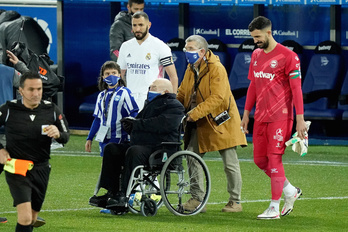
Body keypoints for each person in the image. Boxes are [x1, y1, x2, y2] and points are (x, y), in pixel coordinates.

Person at [240, 16, 307, 220]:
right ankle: (289, 191)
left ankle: (274, 207)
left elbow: (296, 89)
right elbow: (253, 85)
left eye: (258, 37)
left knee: (274, 159)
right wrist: (246, 114)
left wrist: (300, 119)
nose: (255, 41)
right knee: (260, 160)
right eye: (253, 37)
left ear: (268, 32)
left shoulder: (289, 57)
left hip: (281, 117)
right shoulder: (256, 55)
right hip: (260, 116)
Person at [89, 78, 184, 212]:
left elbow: (161, 124)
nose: (150, 90)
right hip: (142, 144)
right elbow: (143, 124)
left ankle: (124, 195)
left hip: (161, 148)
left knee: (134, 151)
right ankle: (111, 192)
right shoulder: (149, 105)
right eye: (150, 87)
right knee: (112, 148)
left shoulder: (175, 106)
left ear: (165, 91)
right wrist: (130, 125)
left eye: (154, 87)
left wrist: (137, 124)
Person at [177, 35, 247, 213]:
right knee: (192, 156)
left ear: (202, 51)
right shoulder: (190, 68)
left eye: (191, 48)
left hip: (222, 120)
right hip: (199, 120)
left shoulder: (217, 68)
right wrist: (174, 107)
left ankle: (235, 201)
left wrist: (194, 113)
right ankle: (197, 199)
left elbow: (218, 98)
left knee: (229, 162)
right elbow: (183, 92)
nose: (187, 52)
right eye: (186, 48)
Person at [0, 71, 70, 231]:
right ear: (21, 91)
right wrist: (0, 150)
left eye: (39, 89)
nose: (36, 93)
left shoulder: (51, 109)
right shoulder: (9, 109)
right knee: (24, 218)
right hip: (16, 167)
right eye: (31, 89)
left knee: (31, 219)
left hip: (41, 169)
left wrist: (58, 134)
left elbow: (66, 135)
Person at [117, 11, 179, 110]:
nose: (137, 29)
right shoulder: (125, 46)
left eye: (141, 25)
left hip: (153, 98)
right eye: (134, 25)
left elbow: (173, 77)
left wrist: (172, 102)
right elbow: (120, 74)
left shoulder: (160, 46)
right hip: (130, 98)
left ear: (149, 25)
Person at [85, 61, 138, 157]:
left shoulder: (125, 92)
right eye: (107, 74)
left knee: (116, 165)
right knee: (105, 165)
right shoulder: (101, 95)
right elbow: (97, 119)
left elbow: (134, 113)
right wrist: (89, 138)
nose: (111, 76)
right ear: (103, 77)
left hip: (120, 136)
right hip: (103, 136)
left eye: (114, 73)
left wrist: (136, 134)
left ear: (119, 75)